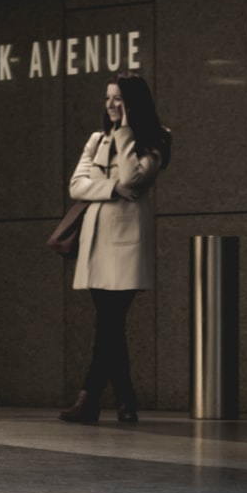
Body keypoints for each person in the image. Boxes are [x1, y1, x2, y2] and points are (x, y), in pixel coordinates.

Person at [58, 72, 170, 425]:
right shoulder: (96, 139)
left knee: (109, 323)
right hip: (95, 245)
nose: (110, 104)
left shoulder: (156, 139)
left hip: (125, 247)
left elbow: (135, 178)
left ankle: (89, 397)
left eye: (118, 98)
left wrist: (124, 132)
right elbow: (77, 186)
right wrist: (111, 188)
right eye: (108, 98)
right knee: (111, 326)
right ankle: (125, 400)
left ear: (133, 103)